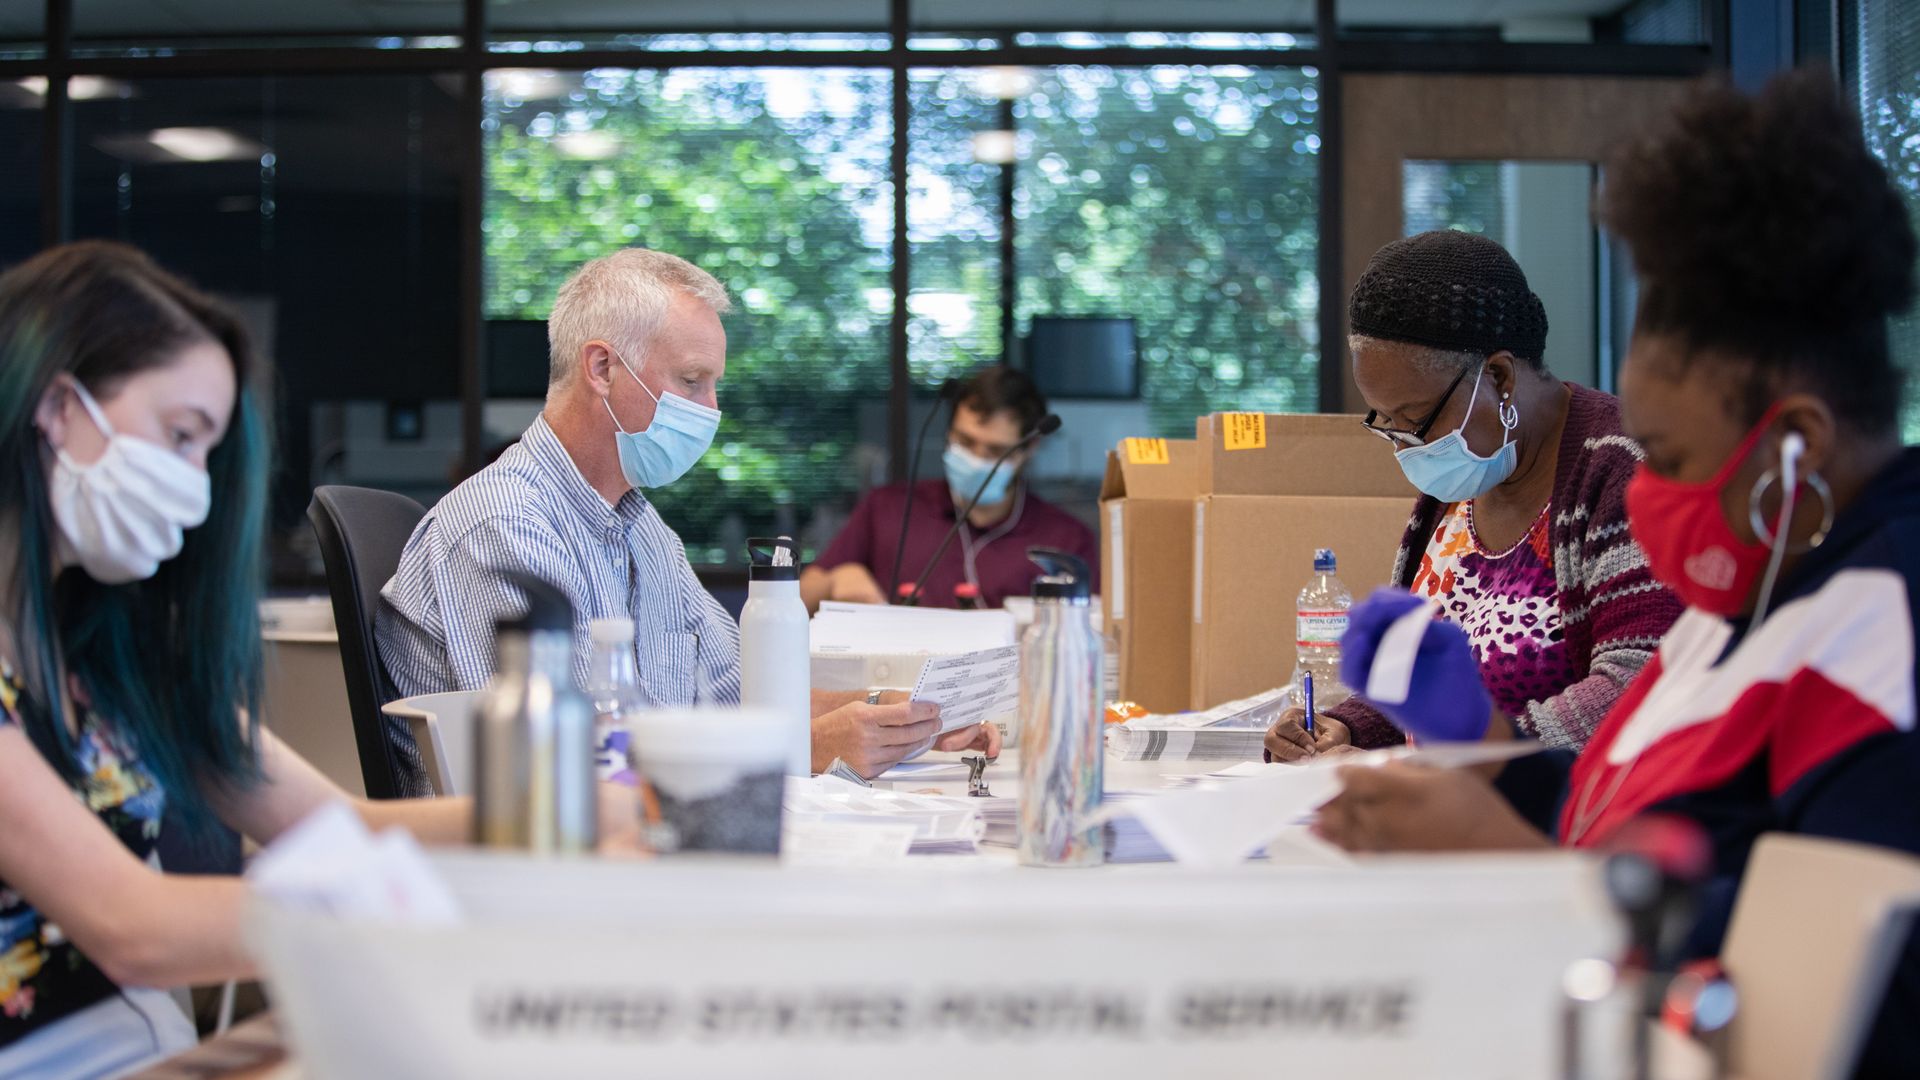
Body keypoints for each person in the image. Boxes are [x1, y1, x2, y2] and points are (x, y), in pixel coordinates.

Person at [1313, 71, 1920, 1074]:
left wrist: (1522, 867)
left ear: (1796, 447)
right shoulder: (1752, 603)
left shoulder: (1883, 642)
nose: (1645, 493)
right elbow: (1628, 809)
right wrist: (1487, 762)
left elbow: (1853, 996)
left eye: (1672, 458)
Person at [0, 242, 487, 1076]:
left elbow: (344, 828)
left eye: (207, 454)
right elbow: (132, 927)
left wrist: (566, 817)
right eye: (180, 436)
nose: (195, 487)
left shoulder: (112, 657)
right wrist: (388, 913)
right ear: (54, 406)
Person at [377, 249, 999, 791]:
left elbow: (744, 693)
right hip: (541, 878)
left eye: (713, 385)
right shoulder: (506, 527)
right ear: (601, 369)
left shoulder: (641, 529)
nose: (711, 410)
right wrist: (805, 748)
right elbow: (573, 766)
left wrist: (894, 715)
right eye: (692, 381)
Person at [1265, 230, 1682, 763]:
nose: (1406, 449)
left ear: (1500, 377)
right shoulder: (1460, 485)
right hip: (1449, 817)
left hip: (1562, 826)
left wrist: (1470, 762)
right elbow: (1415, 682)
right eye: (1386, 422)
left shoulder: (1619, 467)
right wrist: (1348, 727)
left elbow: (1639, 685)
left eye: (1415, 421)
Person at [801, 365, 1098, 613]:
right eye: (965, 442)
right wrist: (834, 581)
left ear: (1029, 448)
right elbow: (799, 597)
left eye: (995, 450)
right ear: (948, 431)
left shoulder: (1066, 541)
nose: (977, 460)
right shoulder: (888, 508)